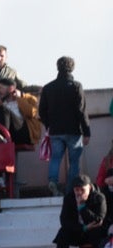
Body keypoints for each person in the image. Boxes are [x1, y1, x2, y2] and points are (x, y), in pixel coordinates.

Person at [41, 56, 89, 195]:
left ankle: (52, 181)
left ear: (58, 67)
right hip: (74, 130)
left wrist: (49, 125)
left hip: (55, 131)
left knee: (55, 158)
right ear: (72, 68)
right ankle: (71, 189)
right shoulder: (76, 86)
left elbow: (41, 111)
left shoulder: (48, 87)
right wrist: (87, 132)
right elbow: (81, 110)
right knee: (74, 162)